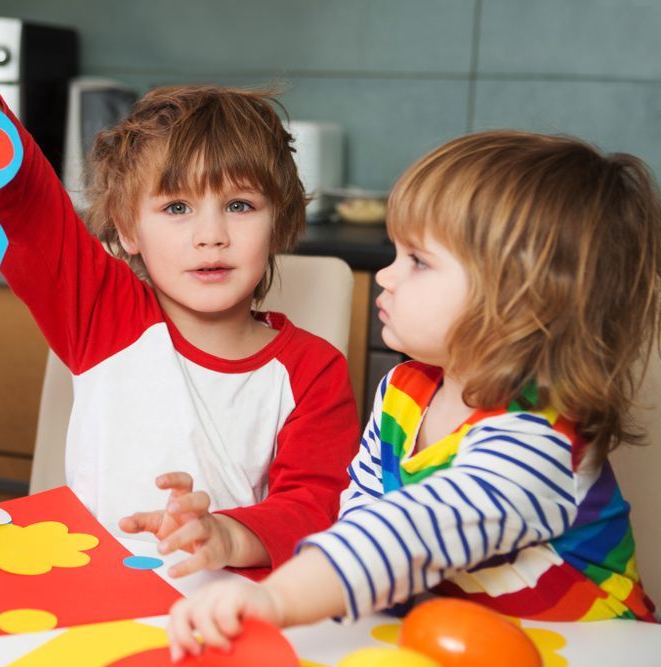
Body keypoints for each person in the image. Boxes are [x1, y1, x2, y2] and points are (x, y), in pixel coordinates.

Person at [0, 0, 360, 577]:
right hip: (92, 605)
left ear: (279, 221)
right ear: (127, 230)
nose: (211, 235)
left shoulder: (312, 371)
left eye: (240, 205)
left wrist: (225, 534)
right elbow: (23, 198)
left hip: (230, 614)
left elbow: (317, 510)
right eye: (176, 206)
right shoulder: (102, 314)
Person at [166, 129, 661, 659]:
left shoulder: (537, 438)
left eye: (418, 261)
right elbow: (363, 512)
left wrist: (280, 598)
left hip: (587, 649)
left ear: (521, 300)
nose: (386, 275)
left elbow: (413, 532)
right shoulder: (405, 391)